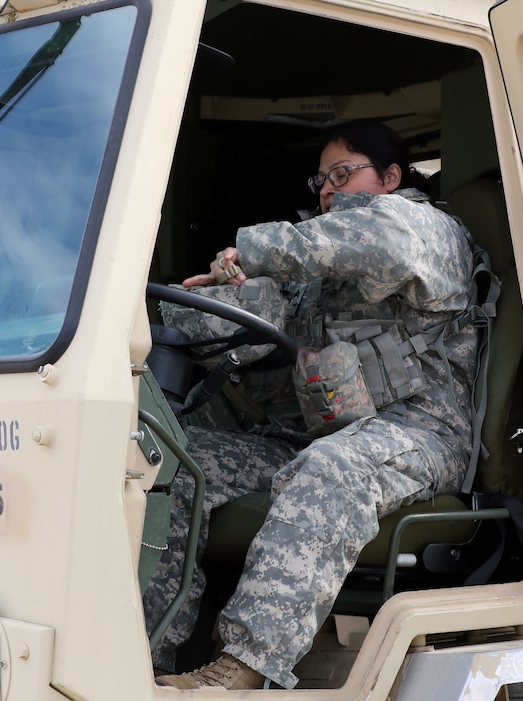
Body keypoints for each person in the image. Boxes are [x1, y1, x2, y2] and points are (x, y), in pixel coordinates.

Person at [142, 121, 480, 690]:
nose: (327, 188)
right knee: (171, 459)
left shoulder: (424, 228)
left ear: (391, 177)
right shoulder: (316, 267)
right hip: (315, 433)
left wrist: (250, 248)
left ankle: (244, 668)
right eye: (320, 179)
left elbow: (375, 242)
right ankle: (151, 655)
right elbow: (249, 327)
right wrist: (204, 300)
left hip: (421, 433)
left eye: (343, 174)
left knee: (331, 469)